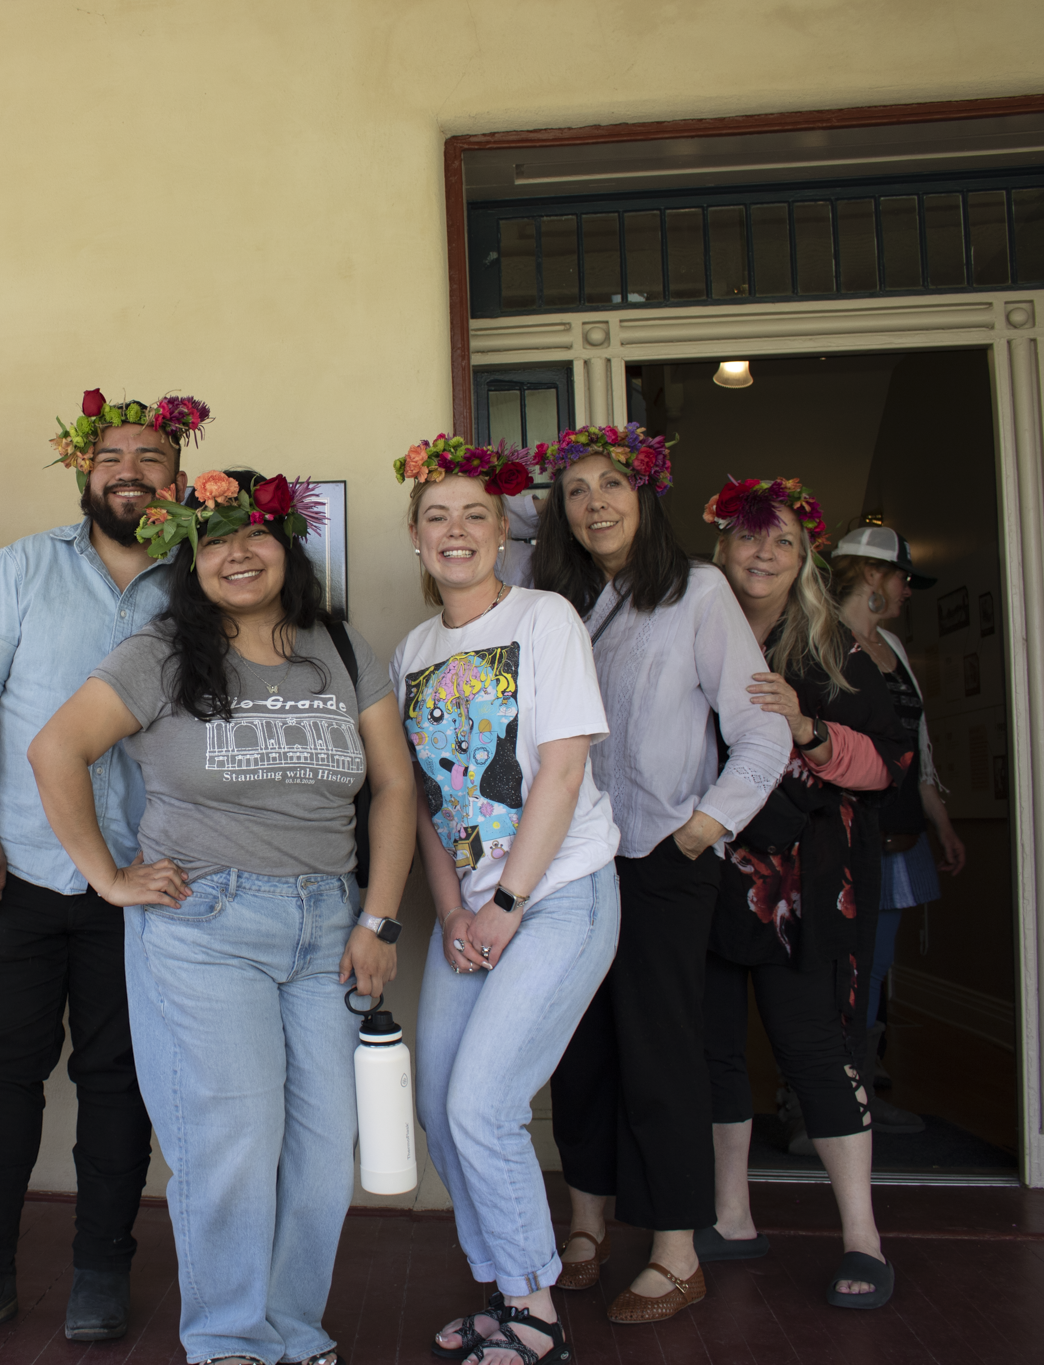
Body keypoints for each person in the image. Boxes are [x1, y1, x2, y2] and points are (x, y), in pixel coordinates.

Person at [31, 468, 416, 1365]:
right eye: (216, 538)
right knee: (236, 1140)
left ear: (288, 546)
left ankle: (294, 1327)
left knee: (322, 1147)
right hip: (210, 925)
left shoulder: (341, 648)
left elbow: (395, 783)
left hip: (329, 922)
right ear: (192, 558)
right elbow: (56, 748)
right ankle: (229, 1338)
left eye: (257, 533)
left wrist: (381, 920)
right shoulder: (159, 652)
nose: (238, 552)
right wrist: (108, 876)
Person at [0, 390, 206, 1351]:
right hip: (20, 868)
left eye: (148, 456)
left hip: (146, 879)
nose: (127, 470)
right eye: (108, 455)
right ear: (85, 473)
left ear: (178, 478)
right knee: (4, 1080)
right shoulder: (26, 566)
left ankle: (101, 1273)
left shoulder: (202, 579)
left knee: (118, 1081)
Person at [532, 425, 789, 1325]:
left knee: (658, 1048)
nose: (596, 502)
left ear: (646, 496)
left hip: (658, 856)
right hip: (568, 862)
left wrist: (707, 825)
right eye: (576, 490)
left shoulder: (699, 592)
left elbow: (761, 727)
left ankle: (678, 1250)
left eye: (613, 484)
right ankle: (587, 1225)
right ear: (558, 511)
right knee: (579, 1049)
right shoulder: (549, 602)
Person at [390, 439, 621, 1365]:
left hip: (559, 895)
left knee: (485, 1102)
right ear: (415, 537)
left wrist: (508, 902)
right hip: (475, 910)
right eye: (437, 516)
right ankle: (503, 1283)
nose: (456, 531)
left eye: (474, 514)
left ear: (502, 532)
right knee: (441, 1102)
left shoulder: (544, 618)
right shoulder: (415, 648)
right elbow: (434, 803)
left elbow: (562, 771)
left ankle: (536, 1313)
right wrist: (452, 911)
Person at [696, 480, 912, 1311]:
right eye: (749, 541)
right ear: (721, 551)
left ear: (804, 557)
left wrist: (809, 729)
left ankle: (863, 1235)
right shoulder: (695, 634)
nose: (762, 555)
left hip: (805, 887)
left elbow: (887, 767)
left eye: (781, 542)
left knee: (814, 1049)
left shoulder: (836, 649)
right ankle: (731, 1213)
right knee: (715, 1048)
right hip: (708, 873)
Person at [829, 524, 966, 1123]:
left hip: (898, 828)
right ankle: (822, 1087)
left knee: (878, 962)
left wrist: (943, 822)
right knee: (838, 960)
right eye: (902, 578)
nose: (908, 591)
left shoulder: (896, 649)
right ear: (870, 575)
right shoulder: (824, 641)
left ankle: (864, 1071)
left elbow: (920, 744)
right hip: (842, 828)